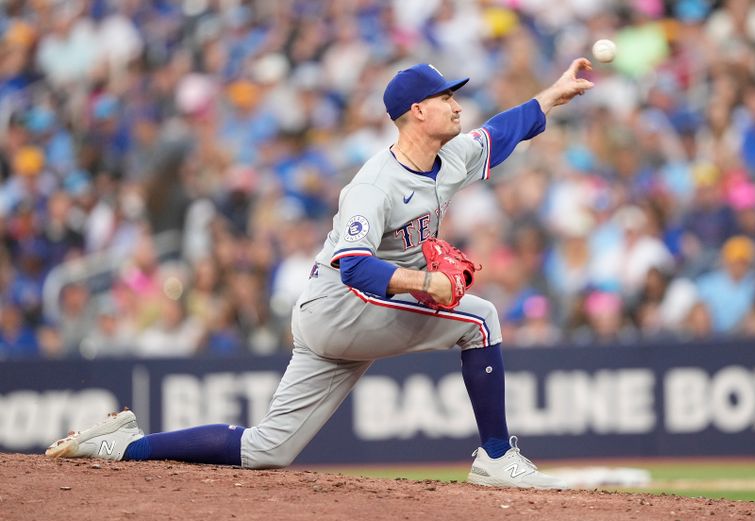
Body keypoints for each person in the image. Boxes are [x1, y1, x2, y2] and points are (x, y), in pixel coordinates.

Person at [45, 59, 594, 489]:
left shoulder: (448, 159)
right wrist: (426, 283)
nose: (456, 105)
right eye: (445, 97)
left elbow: (503, 131)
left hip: (335, 318)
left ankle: (122, 444)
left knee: (267, 449)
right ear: (416, 112)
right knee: (479, 319)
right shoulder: (373, 184)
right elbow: (354, 267)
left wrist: (553, 94)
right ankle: (497, 455)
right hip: (342, 305)